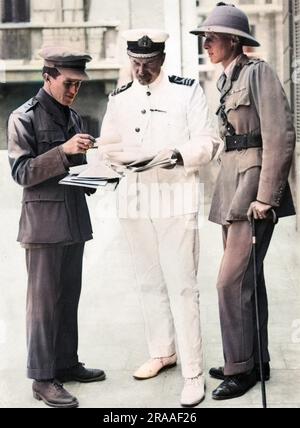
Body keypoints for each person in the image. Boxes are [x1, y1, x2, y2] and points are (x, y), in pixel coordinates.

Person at [98, 29, 222, 407]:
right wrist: (111, 157)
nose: (141, 70)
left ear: (162, 60)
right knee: (148, 282)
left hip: (176, 199)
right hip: (136, 201)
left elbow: (209, 140)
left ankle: (192, 373)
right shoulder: (119, 98)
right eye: (135, 62)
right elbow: (109, 143)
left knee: (182, 287)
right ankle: (163, 352)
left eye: (148, 64)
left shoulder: (187, 91)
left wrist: (179, 155)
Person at [190, 2, 296, 401]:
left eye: (212, 37)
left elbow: (281, 134)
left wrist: (267, 197)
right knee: (247, 280)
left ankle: (240, 369)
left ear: (234, 40)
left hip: (253, 192)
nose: (206, 44)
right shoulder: (225, 80)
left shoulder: (258, 73)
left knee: (229, 283)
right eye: (204, 38)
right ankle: (254, 357)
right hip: (232, 187)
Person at [7, 47, 106, 409]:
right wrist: (64, 151)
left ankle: (65, 362)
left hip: (73, 222)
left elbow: (76, 172)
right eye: (68, 83)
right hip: (43, 227)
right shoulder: (23, 118)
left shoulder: (73, 117)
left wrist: (99, 170)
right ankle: (42, 377)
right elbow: (22, 173)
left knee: (68, 298)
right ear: (47, 77)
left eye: (79, 85)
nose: (74, 91)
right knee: (43, 305)